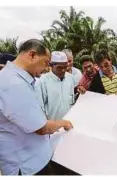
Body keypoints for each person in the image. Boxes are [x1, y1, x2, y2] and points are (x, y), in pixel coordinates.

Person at [0, 39, 73, 175]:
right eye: (46, 62)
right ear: (32, 55)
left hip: (33, 159)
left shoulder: (16, 79)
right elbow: (41, 128)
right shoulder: (13, 84)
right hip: (27, 165)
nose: (46, 68)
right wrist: (63, 123)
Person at [35, 51, 85, 120]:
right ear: (51, 65)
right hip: (53, 126)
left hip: (69, 123)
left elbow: (72, 96)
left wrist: (79, 89)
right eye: (59, 68)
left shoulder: (70, 78)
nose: (63, 70)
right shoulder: (43, 81)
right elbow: (40, 108)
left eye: (65, 67)